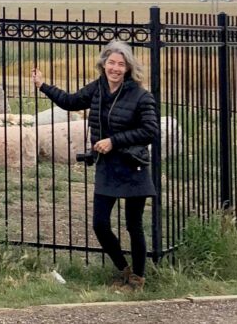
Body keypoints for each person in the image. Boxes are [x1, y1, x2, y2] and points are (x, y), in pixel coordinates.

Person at [32, 39, 159, 290]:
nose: (115, 68)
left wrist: (114, 141)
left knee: (134, 225)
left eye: (120, 64)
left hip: (133, 166)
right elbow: (70, 101)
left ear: (128, 68)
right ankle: (124, 270)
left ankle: (138, 279)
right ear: (103, 64)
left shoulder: (140, 96)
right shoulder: (97, 89)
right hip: (107, 167)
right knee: (100, 224)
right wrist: (43, 85)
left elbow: (150, 131)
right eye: (111, 62)